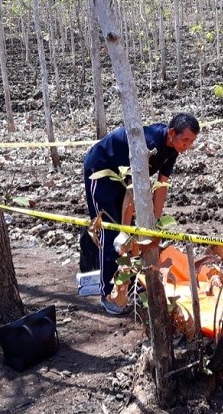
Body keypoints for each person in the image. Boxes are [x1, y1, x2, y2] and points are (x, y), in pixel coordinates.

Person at [82, 113, 199, 315]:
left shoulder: (172, 149)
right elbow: (132, 190)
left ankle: (128, 282)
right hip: (101, 171)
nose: (187, 146)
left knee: (135, 236)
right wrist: (125, 231)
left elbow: (162, 183)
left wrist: (155, 220)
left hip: (126, 181)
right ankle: (108, 293)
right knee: (112, 233)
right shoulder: (150, 145)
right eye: (185, 140)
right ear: (172, 133)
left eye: (192, 141)